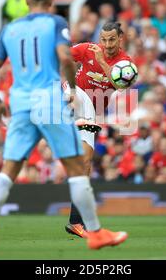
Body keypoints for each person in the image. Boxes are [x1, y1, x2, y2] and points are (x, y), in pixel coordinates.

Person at [0, 0, 128, 251]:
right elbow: (66, 58)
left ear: (26, 1)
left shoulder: (9, 28)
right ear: (51, 1)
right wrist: (72, 88)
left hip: (20, 102)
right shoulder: (55, 23)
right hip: (49, 98)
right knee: (77, 168)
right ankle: (95, 232)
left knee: (8, 170)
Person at [63, 21, 134, 238]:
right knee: (77, 97)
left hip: (93, 113)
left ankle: (76, 221)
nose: (107, 44)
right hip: (77, 96)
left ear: (120, 38)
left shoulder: (125, 63)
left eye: (112, 39)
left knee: (85, 164)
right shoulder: (86, 49)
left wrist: (102, 61)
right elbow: (62, 57)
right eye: (103, 39)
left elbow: (122, 86)